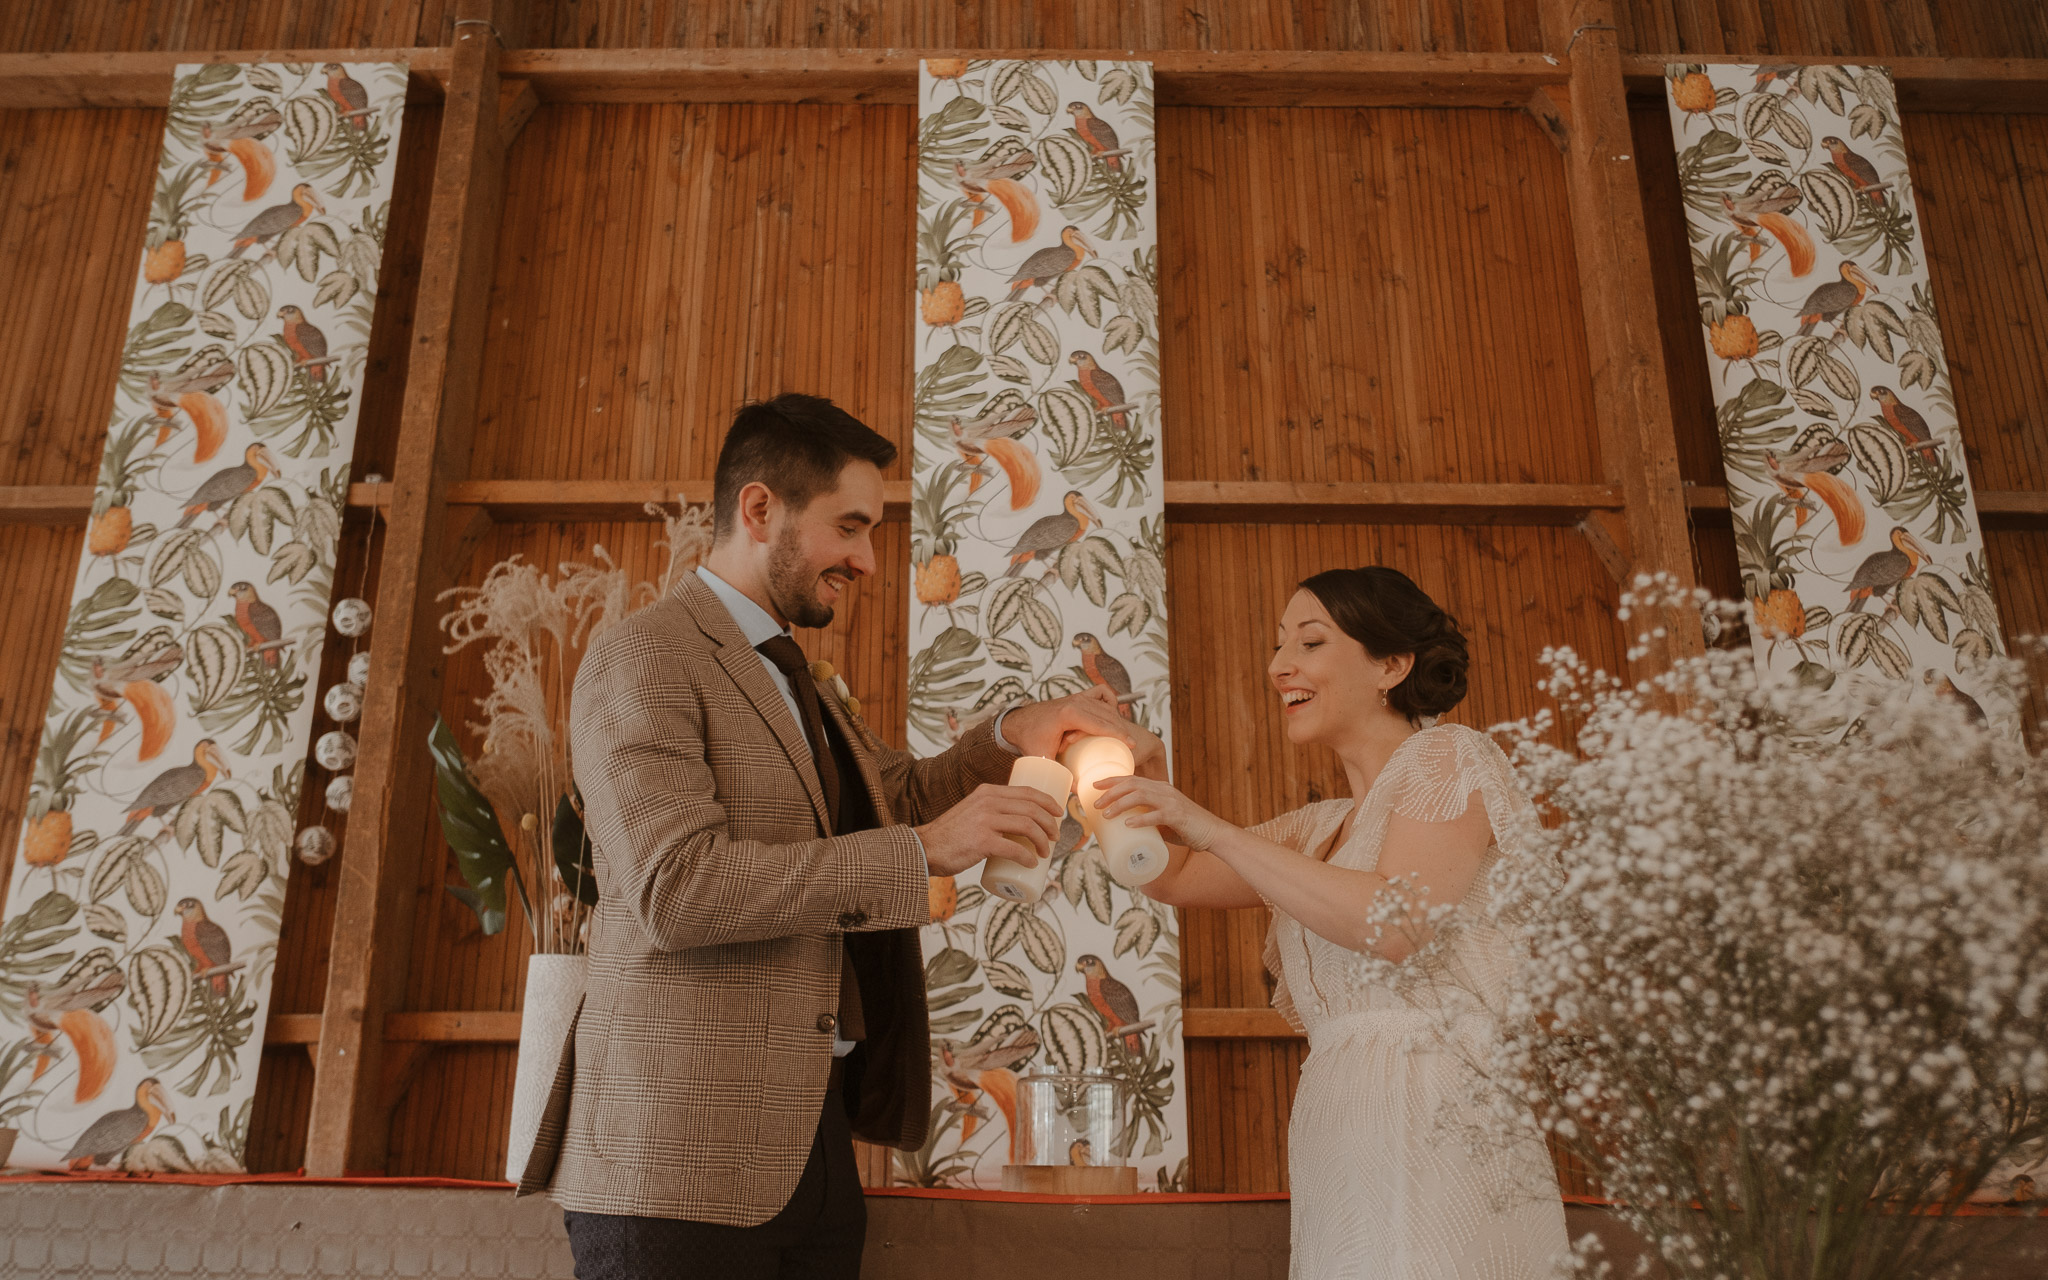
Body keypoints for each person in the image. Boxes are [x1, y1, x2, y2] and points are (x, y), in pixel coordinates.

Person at [518, 394, 1156, 1279]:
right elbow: (678, 888)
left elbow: (896, 794)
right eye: (849, 528)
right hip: (674, 1159)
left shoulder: (800, 677)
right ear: (758, 510)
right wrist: (925, 852)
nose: (864, 559)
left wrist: (1015, 728)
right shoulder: (646, 656)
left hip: (809, 1145)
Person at [1092, 567, 1567, 1279]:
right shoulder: (1319, 828)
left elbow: (1396, 924)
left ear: (1391, 665)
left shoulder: (1450, 756)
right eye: (1280, 645)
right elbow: (1177, 875)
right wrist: (1133, 772)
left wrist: (1209, 825)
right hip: (1337, 1120)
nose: (1279, 666)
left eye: (1309, 642)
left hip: (1434, 1106)